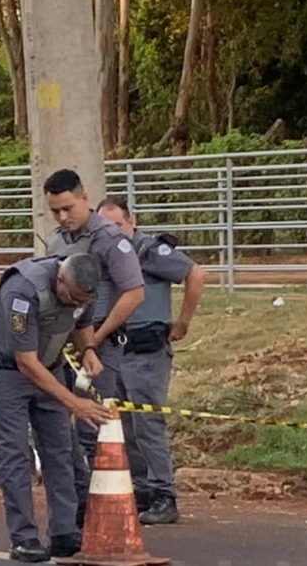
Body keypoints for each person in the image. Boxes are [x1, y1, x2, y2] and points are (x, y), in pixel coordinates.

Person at [0, 252, 116, 563]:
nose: (74, 303)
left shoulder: (86, 289)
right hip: (7, 371)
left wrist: (89, 350)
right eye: (71, 297)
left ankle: (64, 531)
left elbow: (82, 323)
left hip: (50, 367)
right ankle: (24, 538)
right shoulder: (23, 289)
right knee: (14, 455)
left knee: (60, 451)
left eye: (81, 299)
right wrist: (74, 403)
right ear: (60, 278)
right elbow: (26, 362)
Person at [41, 168, 145, 523]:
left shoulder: (109, 239)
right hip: (61, 345)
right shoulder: (59, 240)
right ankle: (79, 498)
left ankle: (106, 504)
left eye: (68, 208)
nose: (62, 217)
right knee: (59, 425)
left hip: (98, 343)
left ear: (84, 198)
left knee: (92, 426)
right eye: (55, 211)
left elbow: (134, 293)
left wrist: (94, 341)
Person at [97, 197, 207, 525]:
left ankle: (163, 494)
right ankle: (142, 488)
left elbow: (195, 274)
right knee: (126, 425)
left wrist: (183, 322)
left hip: (146, 349)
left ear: (132, 223)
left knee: (148, 424)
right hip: (118, 349)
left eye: (118, 225)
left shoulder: (148, 251)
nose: (113, 232)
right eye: (106, 227)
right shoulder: (106, 254)